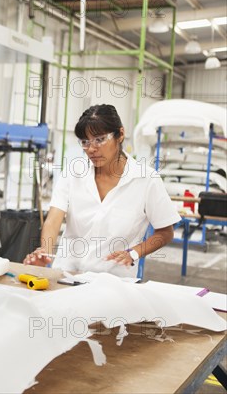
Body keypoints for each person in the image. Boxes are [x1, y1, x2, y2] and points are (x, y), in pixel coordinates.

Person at [24, 104, 181, 278]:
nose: (91, 149)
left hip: (114, 283)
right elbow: (53, 219)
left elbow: (166, 232)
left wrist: (134, 253)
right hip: (67, 275)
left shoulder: (146, 179)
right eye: (85, 142)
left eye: (99, 139)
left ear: (120, 135)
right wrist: (44, 253)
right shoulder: (73, 172)